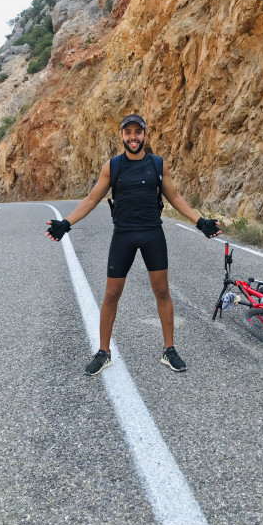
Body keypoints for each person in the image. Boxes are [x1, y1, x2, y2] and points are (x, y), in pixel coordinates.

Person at [45, 113, 221, 376]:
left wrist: (200, 222)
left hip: (152, 235)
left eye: (137, 132)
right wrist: (66, 223)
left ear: (144, 134)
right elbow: (92, 199)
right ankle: (103, 352)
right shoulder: (112, 166)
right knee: (111, 294)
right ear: (122, 136)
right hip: (123, 236)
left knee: (162, 291)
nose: (133, 137)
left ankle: (169, 350)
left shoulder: (157, 164)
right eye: (128, 132)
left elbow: (174, 197)